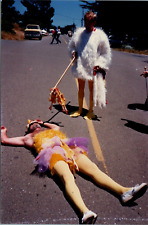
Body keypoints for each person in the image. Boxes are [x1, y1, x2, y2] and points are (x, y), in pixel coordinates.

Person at [1, 119, 147, 224]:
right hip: (51, 154)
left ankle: (123, 192)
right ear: (28, 129)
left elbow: (56, 126)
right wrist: (3, 132)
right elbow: (5, 140)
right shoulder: (27, 138)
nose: (35, 124)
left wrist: (44, 122)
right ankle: (85, 212)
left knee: (94, 170)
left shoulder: (50, 130)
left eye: (37, 122)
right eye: (32, 124)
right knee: (67, 177)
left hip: (69, 149)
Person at [68, 11, 111, 120]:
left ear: (94, 22)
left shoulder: (100, 35)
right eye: (86, 21)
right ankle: (80, 109)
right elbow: (72, 46)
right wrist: (74, 52)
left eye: (90, 22)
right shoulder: (79, 33)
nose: (87, 24)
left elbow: (105, 53)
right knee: (80, 88)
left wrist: (100, 64)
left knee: (92, 89)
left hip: (93, 67)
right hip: (81, 66)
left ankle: (91, 111)